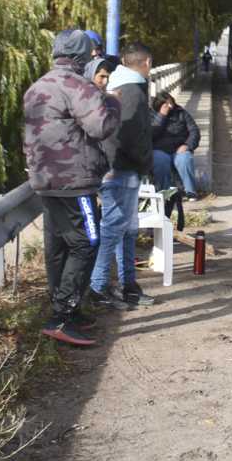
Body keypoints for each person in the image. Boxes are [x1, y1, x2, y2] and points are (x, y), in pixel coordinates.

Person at [23, 29, 119, 347]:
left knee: (59, 246)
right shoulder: (77, 85)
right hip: (74, 182)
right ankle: (62, 316)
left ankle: (67, 311)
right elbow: (100, 126)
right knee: (87, 243)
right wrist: (112, 104)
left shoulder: (37, 86)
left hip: (44, 180)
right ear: (82, 56)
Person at [90, 42, 156, 310]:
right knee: (114, 230)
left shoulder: (122, 86)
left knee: (127, 230)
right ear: (147, 62)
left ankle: (128, 285)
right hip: (121, 170)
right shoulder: (131, 92)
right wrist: (144, 161)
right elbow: (126, 135)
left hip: (121, 169)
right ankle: (98, 286)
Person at [152, 91, 202, 227]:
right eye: (166, 103)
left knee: (184, 159)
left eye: (171, 102)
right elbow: (151, 134)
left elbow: (194, 131)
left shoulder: (182, 113)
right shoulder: (152, 114)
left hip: (179, 147)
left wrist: (187, 145)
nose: (170, 106)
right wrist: (162, 116)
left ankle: (190, 191)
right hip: (160, 149)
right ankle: (165, 192)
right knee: (159, 161)